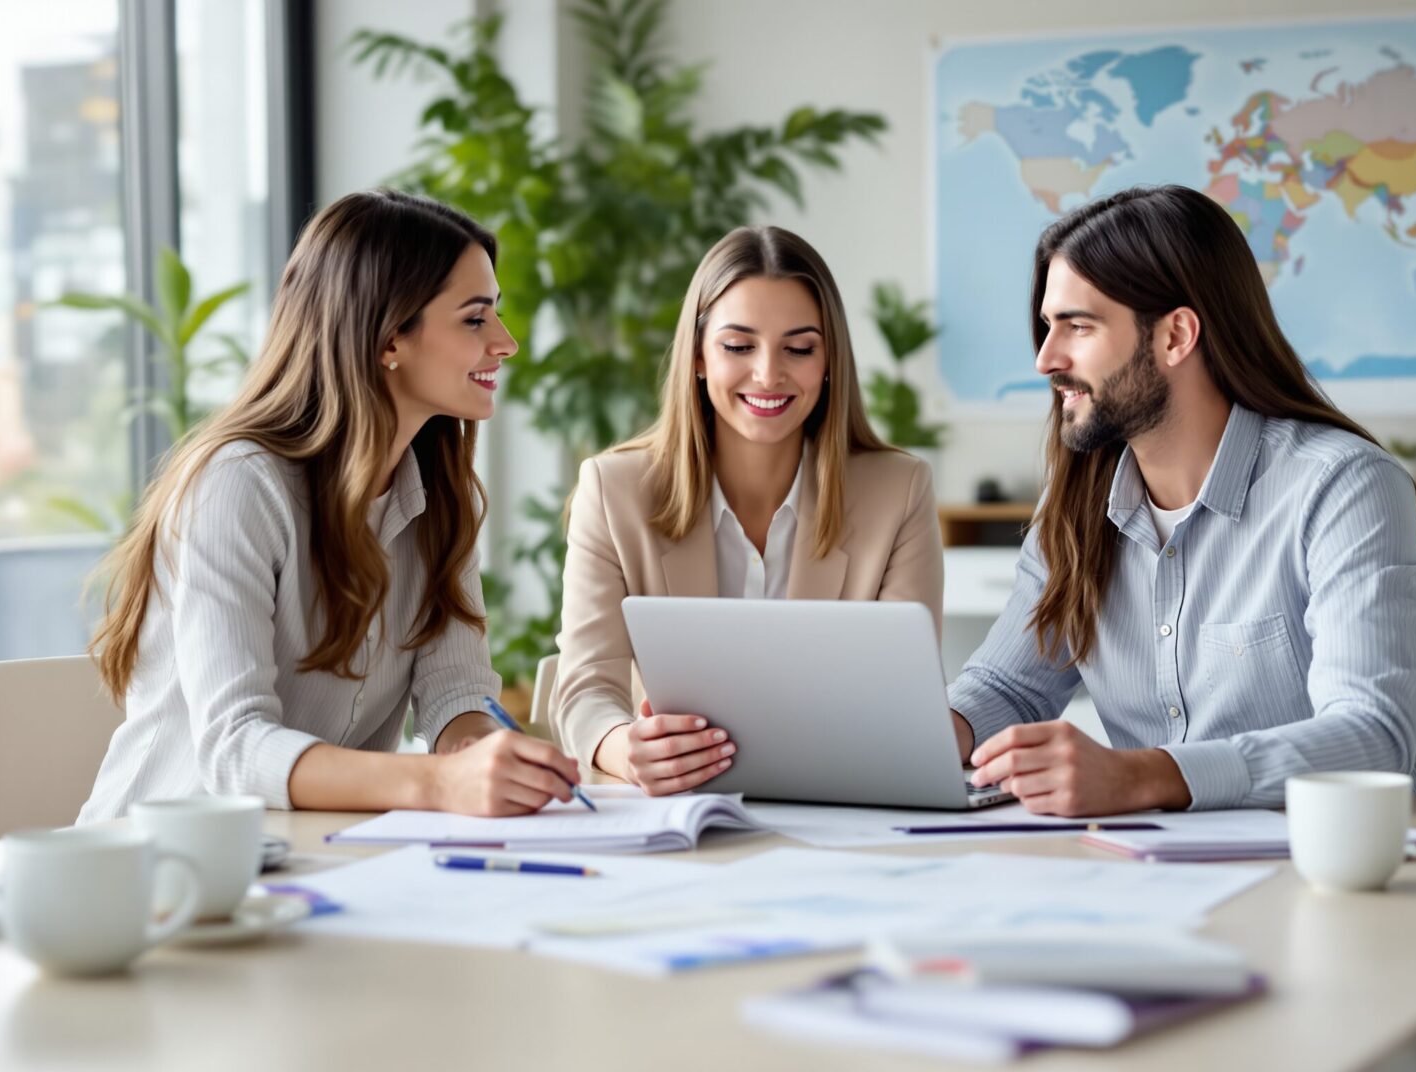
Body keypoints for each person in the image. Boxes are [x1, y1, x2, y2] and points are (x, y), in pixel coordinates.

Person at [950, 185, 1416, 816]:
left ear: (1176, 336)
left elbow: (1371, 737)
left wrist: (1143, 777)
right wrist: (929, 734)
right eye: (1049, 326)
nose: (1047, 358)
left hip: (1364, 870)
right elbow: (1010, 685)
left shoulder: (1344, 486)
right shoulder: (1076, 502)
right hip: (1169, 876)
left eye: (1078, 326)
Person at [79, 190, 580, 823]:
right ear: (389, 337)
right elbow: (235, 750)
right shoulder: (237, 485)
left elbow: (456, 691)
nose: (505, 343)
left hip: (316, 856)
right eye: (475, 319)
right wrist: (438, 783)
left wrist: (485, 757)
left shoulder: (436, 494)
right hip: (162, 872)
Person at [551, 226, 944, 794]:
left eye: (799, 348)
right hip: (678, 811)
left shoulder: (899, 490)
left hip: (839, 806)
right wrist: (622, 748)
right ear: (699, 358)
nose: (767, 373)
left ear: (829, 359)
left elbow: (903, 698)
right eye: (738, 346)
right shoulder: (614, 490)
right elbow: (585, 686)